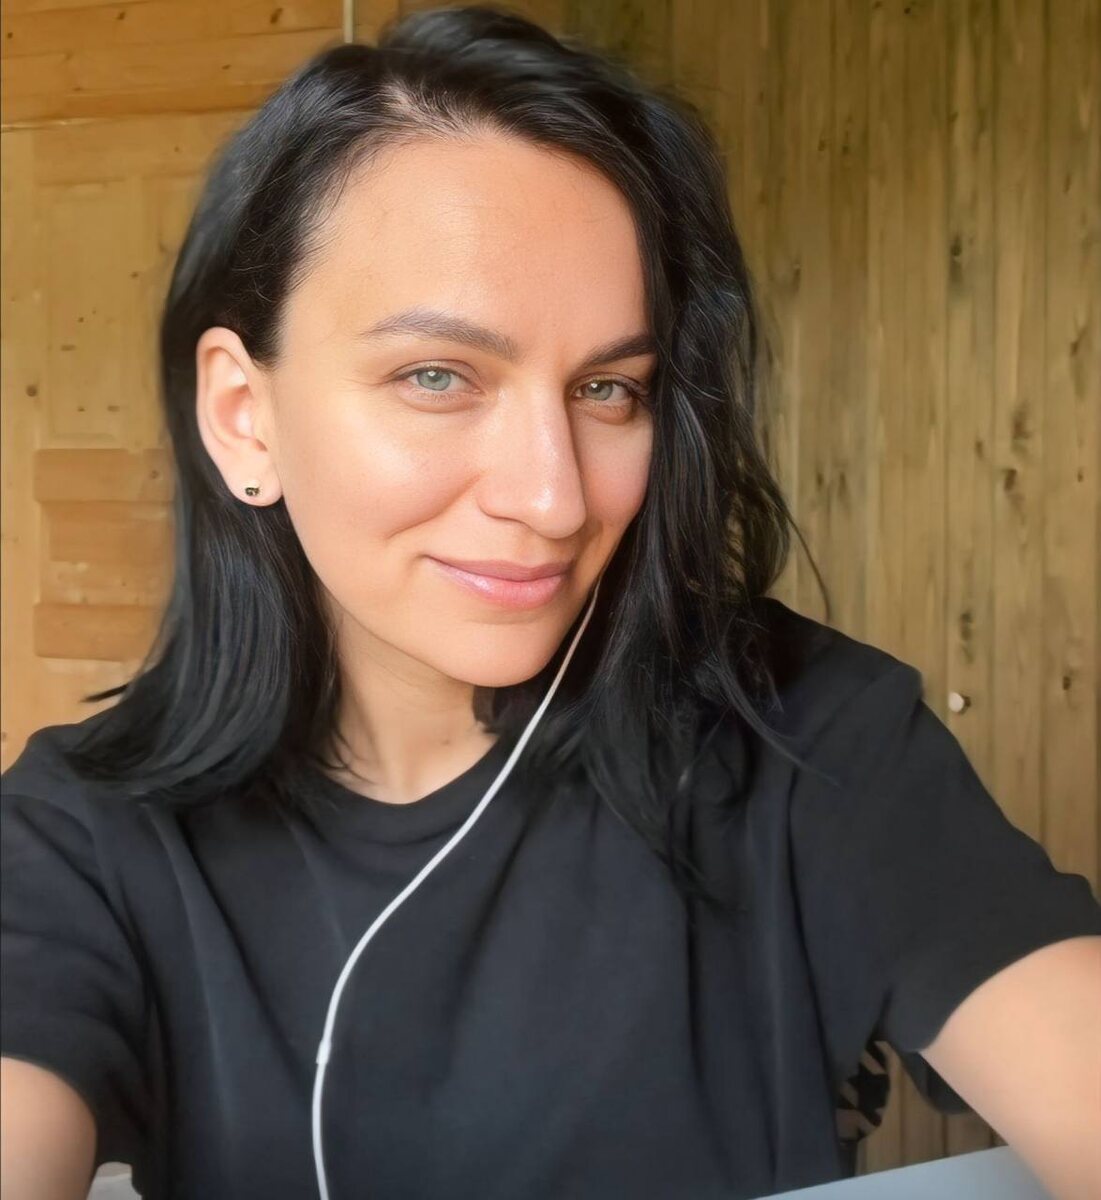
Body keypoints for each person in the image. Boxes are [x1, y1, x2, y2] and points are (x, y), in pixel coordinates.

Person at [3, 6, 1099, 1200]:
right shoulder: (79, 842)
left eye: (609, 390)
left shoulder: (808, 738)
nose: (555, 497)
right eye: (438, 376)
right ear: (242, 417)